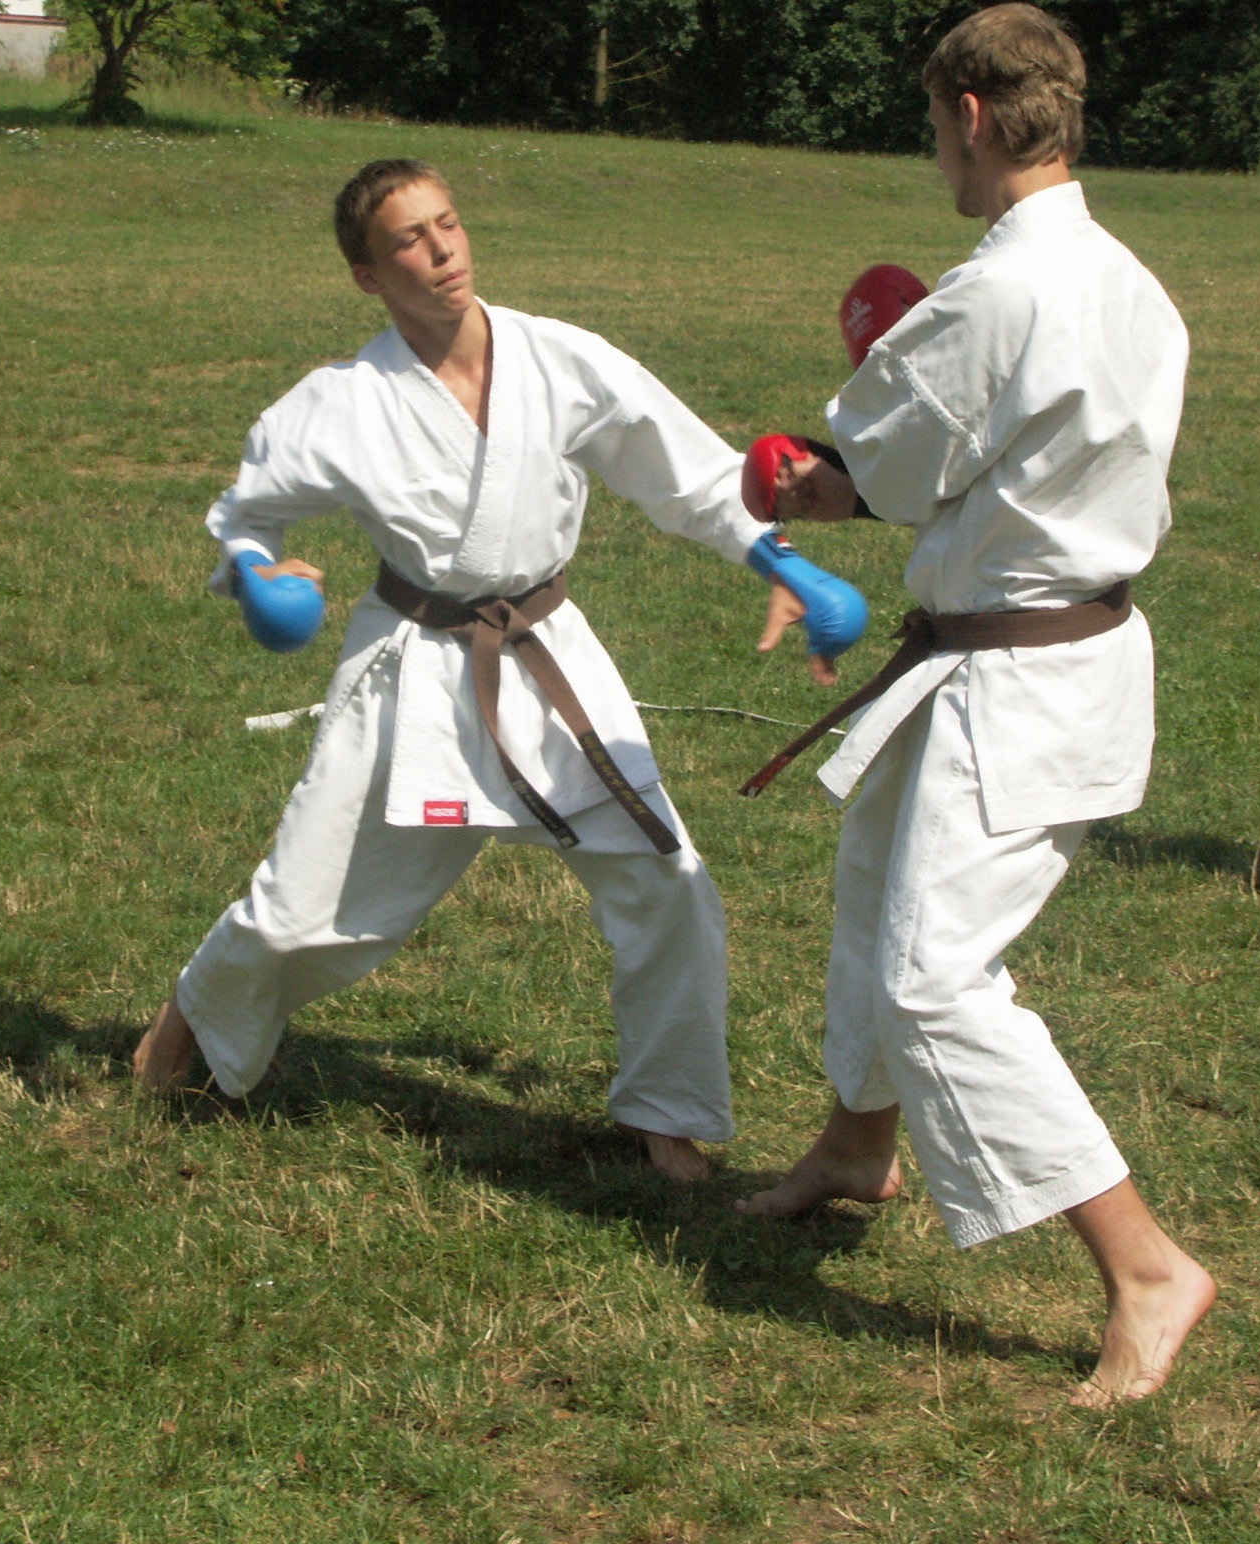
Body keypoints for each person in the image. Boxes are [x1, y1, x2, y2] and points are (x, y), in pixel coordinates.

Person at [132, 159, 846, 1183]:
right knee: (302, 910)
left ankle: (665, 1114)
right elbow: (248, 513)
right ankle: (186, 1022)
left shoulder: (559, 359)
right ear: (368, 276)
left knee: (667, 882)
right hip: (413, 669)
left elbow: (686, 472)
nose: (442, 251)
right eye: (409, 241)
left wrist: (777, 559)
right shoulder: (342, 402)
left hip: (547, 658)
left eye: (449, 224)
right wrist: (256, 573)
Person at [738, 4, 1215, 1407]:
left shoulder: (993, 294)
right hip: (1043, 651)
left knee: (935, 976)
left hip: (1015, 677)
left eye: (932, 126)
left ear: (965, 113)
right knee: (877, 885)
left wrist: (792, 482)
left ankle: (1144, 1266)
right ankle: (855, 1145)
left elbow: (869, 479)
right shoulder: (1133, 283)